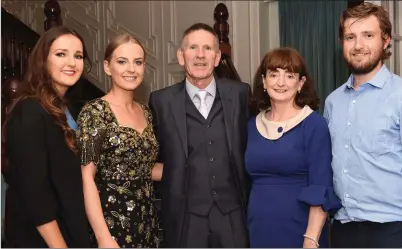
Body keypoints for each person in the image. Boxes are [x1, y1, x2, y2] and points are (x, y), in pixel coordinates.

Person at [324, 2, 402, 248]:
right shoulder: (332, 102)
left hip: (394, 233)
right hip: (343, 232)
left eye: (368, 35)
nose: (358, 45)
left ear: (386, 40)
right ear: (342, 43)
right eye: (350, 37)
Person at [148, 23, 250, 248]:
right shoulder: (161, 102)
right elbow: (149, 157)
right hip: (186, 217)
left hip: (233, 213)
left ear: (217, 57)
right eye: (193, 47)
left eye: (207, 48)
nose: (200, 55)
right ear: (181, 56)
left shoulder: (241, 94)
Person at [3, 26, 91, 247]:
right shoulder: (29, 111)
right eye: (61, 54)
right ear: (43, 60)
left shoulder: (66, 108)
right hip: (42, 239)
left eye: (78, 56)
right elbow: (35, 193)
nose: (71, 62)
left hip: (69, 229)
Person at [246, 47, 341, 248]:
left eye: (289, 76)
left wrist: (311, 239)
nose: (281, 83)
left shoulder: (314, 125)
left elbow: (320, 186)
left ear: (300, 83)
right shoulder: (251, 126)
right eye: (273, 74)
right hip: (258, 230)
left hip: (301, 233)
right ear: (263, 81)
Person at [76, 34, 161, 248]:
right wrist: (103, 238)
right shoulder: (95, 112)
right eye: (122, 61)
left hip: (147, 222)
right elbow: (87, 178)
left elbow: (144, 169)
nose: (131, 69)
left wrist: (192, 166)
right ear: (107, 67)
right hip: (112, 224)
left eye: (138, 62)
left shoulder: (145, 112)